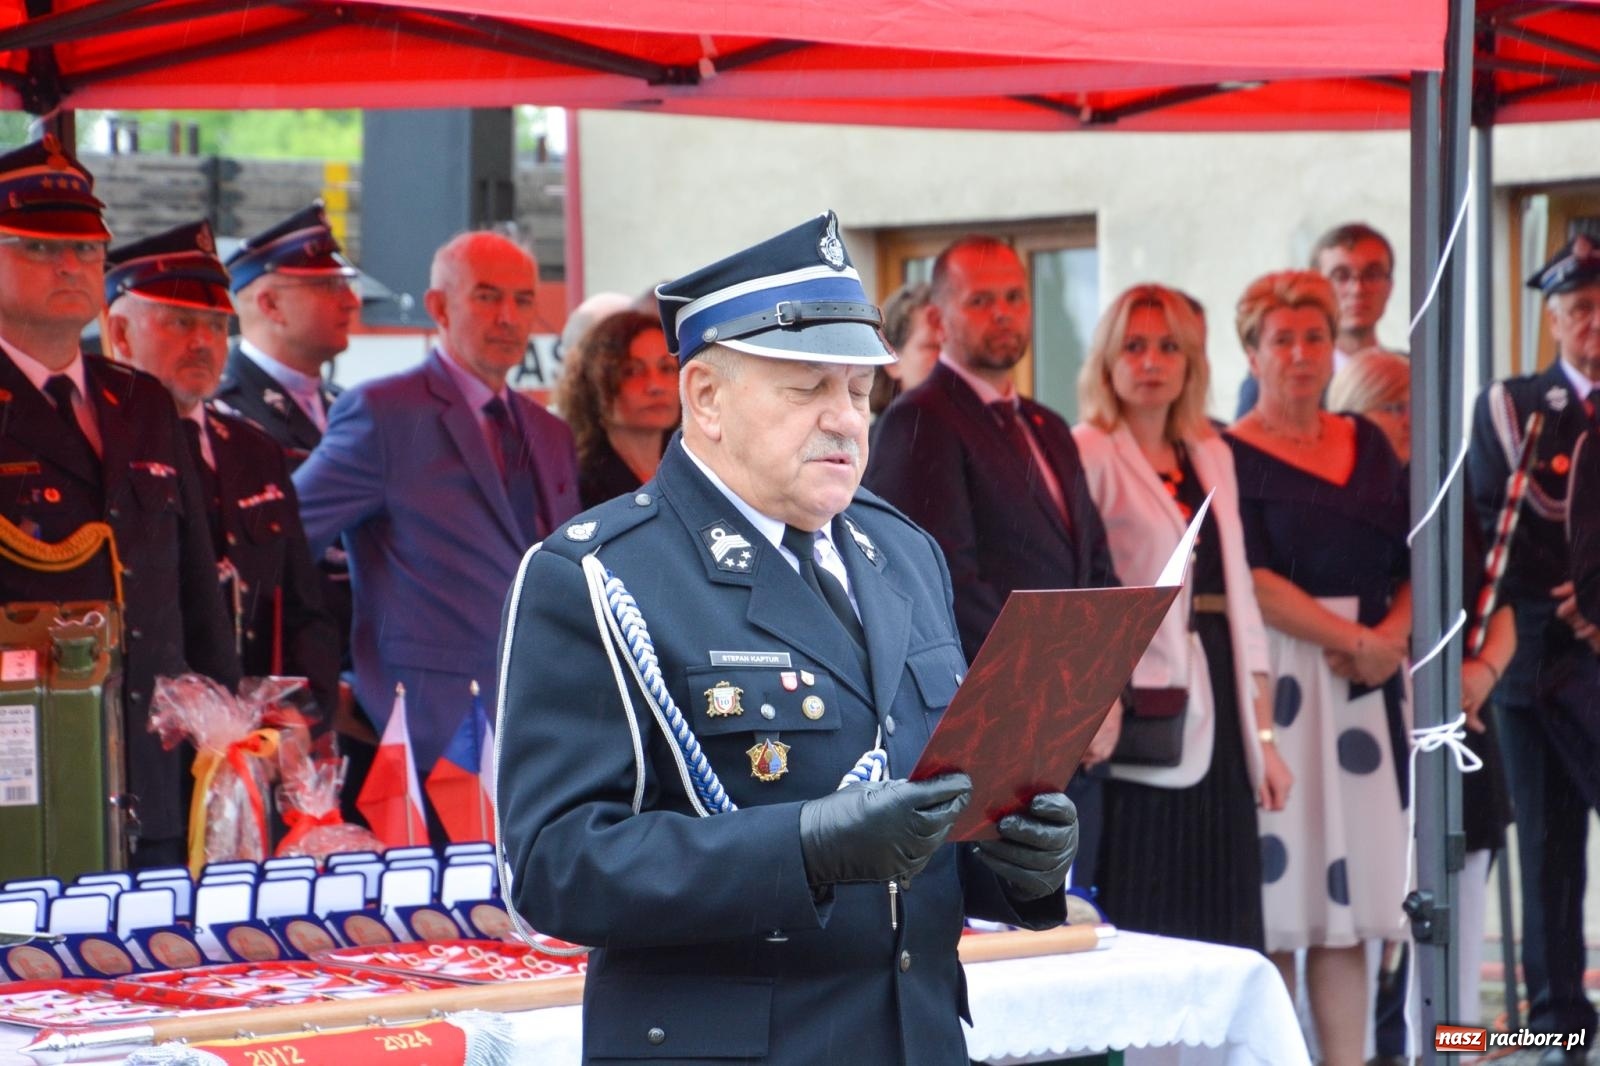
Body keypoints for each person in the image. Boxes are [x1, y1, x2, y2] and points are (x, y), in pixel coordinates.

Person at [497, 211, 1076, 1065]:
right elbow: (552, 867)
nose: (844, 418)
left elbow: (926, 811)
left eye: (857, 390)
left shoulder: (901, 554)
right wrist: (802, 847)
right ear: (706, 398)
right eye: (807, 388)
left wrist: (1021, 859)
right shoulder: (597, 575)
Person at [0, 138, 239, 867]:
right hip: (29, 774)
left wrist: (223, 733)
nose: (72, 266)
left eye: (88, 249)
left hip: (157, 772)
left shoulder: (138, 401)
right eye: (40, 247)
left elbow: (194, 585)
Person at [864, 235, 1121, 887]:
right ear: (937, 317)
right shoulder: (917, 421)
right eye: (981, 301)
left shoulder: (1047, 425)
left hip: (1074, 735)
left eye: (1014, 297)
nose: (1003, 313)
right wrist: (1061, 699)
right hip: (993, 732)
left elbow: (1094, 569)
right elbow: (942, 587)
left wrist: (1100, 691)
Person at [294, 231, 580, 803]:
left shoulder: (549, 432)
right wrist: (331, 681)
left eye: (523, 301)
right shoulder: (385, 413)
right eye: (486, 296)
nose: (508, 317)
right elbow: (282, 541)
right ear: (438, 307)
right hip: (429, 729)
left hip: (547, 726)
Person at [1224, 270, 1411, 1066]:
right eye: (1283, 339)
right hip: (1286, 682)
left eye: (1315, 337)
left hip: (1371, 685)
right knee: (1282, 903)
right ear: (1253, 352)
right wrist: (1351, 634)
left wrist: (1390, 637)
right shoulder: (1226, 451)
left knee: (1349, 911)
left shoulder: (1370, 439)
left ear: (1336, 347)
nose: (1301, 354)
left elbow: (1416, 551)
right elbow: (1251, 578)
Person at [1072, 284, 1290, 951]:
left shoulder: (1211, 450)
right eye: (1134, 347)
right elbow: (1083, 589)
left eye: (1168, 347)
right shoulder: (1087, 450)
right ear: (1108, 361)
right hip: (1141, 700)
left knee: (1224, 902)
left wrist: (1267, 738)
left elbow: (1243, 602)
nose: (1151, 362)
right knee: (1151, 896)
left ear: (1192, 361)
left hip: (1222, 689)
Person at [1330, 350, 1516, 1030]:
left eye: (1418, 405)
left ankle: (1454, 1044)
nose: (1410, 421)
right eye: (1393, 406)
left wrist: (1484, 672)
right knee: (1367, 943)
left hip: (1462, 728)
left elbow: (1502, 608)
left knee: (1458, 945)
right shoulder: (1346, 502)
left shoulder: (1446, 483)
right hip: (1378, 733)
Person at [103, 220, 339, 723]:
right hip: (143, 729)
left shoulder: (255, 451)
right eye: (180, 322)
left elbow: (302, 605)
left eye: (215, 326)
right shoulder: (100, 448)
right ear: (120, 333)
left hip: (256, 737)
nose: (203, 342)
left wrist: (301, 710)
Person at [1466, 234, 1600, 1063]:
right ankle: (1559, 1024)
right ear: (1552, 319)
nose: (1595, 324)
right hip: (1531, 665)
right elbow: (1489, 527)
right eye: (1581, 309)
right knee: (1548, 850)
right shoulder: (1515, 407)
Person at [215, 203, 370, 818]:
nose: (350, 301)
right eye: (327, 287)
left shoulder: (344, 403)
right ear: (270, 305)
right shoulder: (230, 411)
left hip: (359, 683)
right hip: (283, 692)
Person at [1236, 222, 1403, 417]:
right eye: (1341, 276)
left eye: (1372, 275)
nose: (1357, 289)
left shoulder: (1412, 371)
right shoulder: (1275, 379)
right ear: (1318, 287)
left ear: (1390, 286)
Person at [553, 309, 679, 507]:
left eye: (667, 368)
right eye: (632, 371)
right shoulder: (575, 484)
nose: (655, 386)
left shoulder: (697, 470)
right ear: (595, 384)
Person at [869, 280, 940, 417]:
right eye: (933, 347)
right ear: (893, 362)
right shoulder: (869, 436)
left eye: (953, 347)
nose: (948, 359)